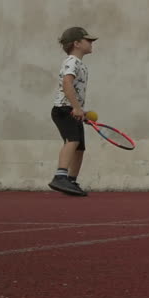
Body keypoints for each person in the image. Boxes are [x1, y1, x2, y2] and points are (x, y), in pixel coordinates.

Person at [49, 26, 97, 196]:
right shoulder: (71, 62)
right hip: (63, 109)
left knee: (80, 147)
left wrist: (81, 111)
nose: (91, 43)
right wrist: (76, 108)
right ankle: (60, 176)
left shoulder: (80, 64)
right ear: (77, 43)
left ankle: (71, 181)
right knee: (72, 140)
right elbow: (67, 84)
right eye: (88, 40)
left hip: (72, 109)